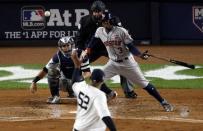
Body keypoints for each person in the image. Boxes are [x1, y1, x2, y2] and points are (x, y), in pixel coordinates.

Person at [86, 12, 174, 112]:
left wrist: (139, 55)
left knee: (145, 85)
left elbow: (131, 46)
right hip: (112, 63)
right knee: (96, 79)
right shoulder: (99, 31)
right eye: (108, 21)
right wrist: (88, 48)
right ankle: (109, 94)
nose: (111, 22)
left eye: (111, 20)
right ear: (104, 22)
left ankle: (163, 102)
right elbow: (94, 39)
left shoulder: (121, 31)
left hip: (127, 64)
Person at [76, 0, 137, 98]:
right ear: (92, 11)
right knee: (78, 64)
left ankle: (128, 91)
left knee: (123, 63)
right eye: (95, 11)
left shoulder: (112, 19)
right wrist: (81, 50)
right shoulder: (84, 21)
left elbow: (121, 33)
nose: (97, 13)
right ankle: (75, 90)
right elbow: (79, 38)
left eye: (99, 11)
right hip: (92, 49)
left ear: (103, 11)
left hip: (109, 48)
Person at [29, 36, 91, 104]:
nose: (66, 47)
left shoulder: (81, 54)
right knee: (52, 69)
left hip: (78, 83)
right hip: (64, 83)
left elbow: (88, 72)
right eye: (64, 46)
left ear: (72, 45)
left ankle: (73, 92)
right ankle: (55, 96)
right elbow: (45, 70)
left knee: (84, 98)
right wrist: (34, 82)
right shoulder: (58, 56)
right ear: (60, 47)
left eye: (68, 45)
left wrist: (79, 79)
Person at [71, 49, 117, 131]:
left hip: (77, 128)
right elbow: (105, 116)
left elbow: (75, 81)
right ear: (102, 81)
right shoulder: (99, 95)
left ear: (91, 78)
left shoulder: (82, 87)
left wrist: (77, 66)